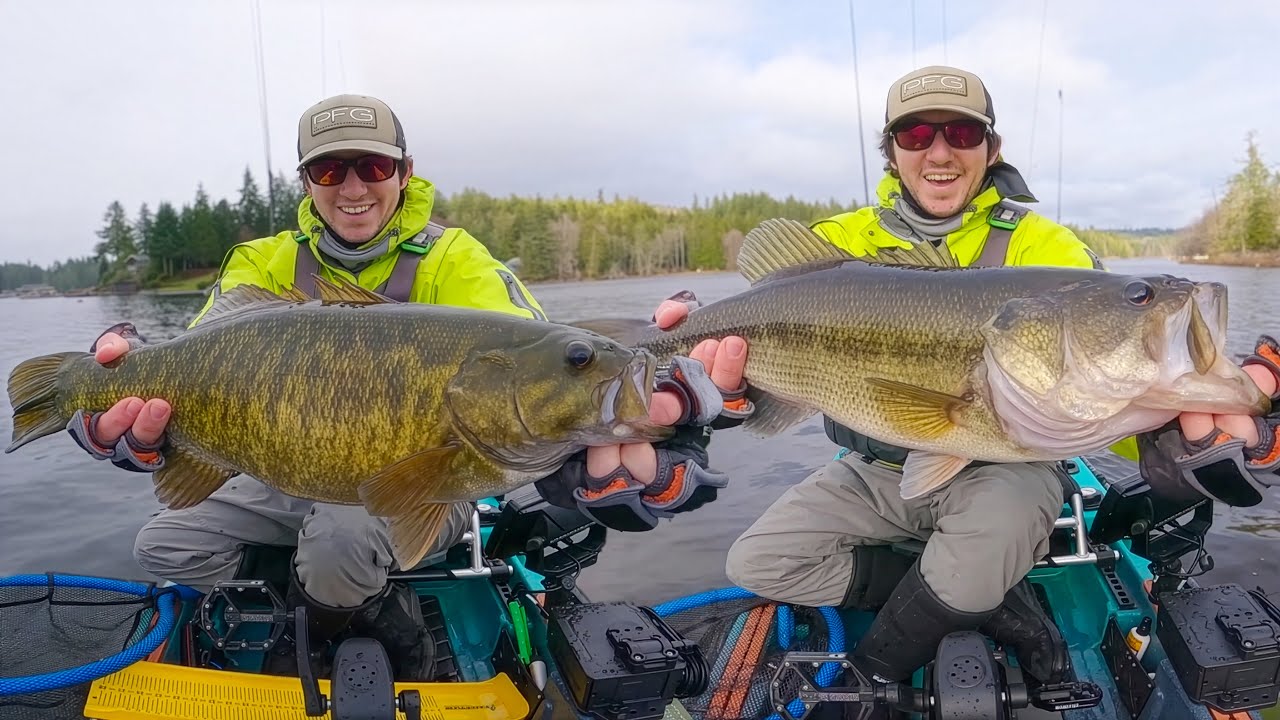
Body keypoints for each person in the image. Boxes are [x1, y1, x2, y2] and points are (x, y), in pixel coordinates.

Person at [68, 93, 746, 680]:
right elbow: (183, 369)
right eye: (330, 169)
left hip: (427, 474)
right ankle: (349, 592)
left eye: (375, 166)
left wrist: (667, 419)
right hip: (278, 469)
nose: (353, 185)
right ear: (307, 180)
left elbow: (554, 359)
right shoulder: (261, 263)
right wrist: (117, 417)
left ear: (404, 171)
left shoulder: (457, 261)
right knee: (162, 546)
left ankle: (340, 619)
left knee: (341, 541)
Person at [655, 64, 1280, 691]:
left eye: (960, 132)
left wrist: (1182, 439)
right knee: (758, 562)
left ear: (992, 147)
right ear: (892, 152)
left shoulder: (1050, 251)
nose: (940, 151)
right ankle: (989, 598)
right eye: (917, 133)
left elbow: (1099, 406)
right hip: (876, 470)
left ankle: (876, 671)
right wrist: (721, 385)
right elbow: (747, 387)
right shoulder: (838, 242)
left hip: (1009, 467)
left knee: (983, 546)